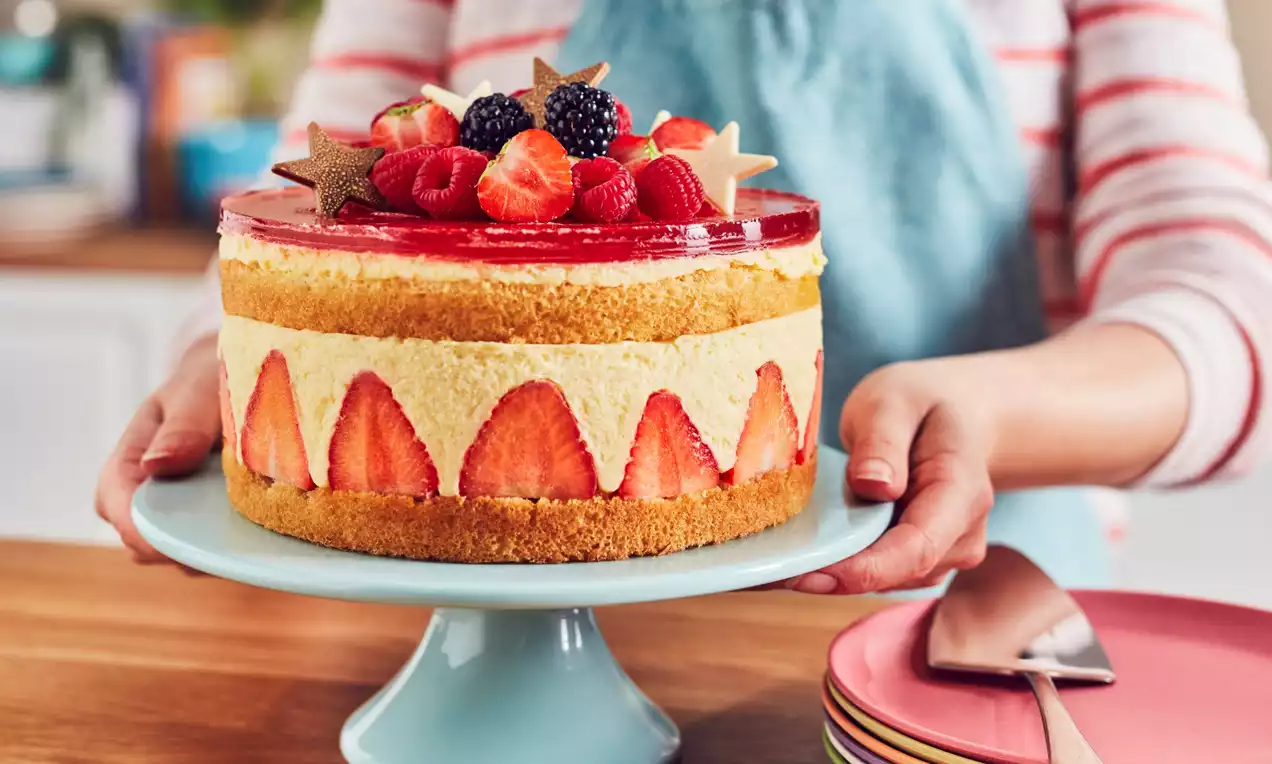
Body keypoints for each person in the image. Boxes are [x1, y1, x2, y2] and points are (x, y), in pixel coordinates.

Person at [97, 0, 1272, 593]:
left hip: (970, 630)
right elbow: (322, 194)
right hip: (470, 610)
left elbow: (1227, 298)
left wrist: (989, 416)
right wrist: (227, 356)